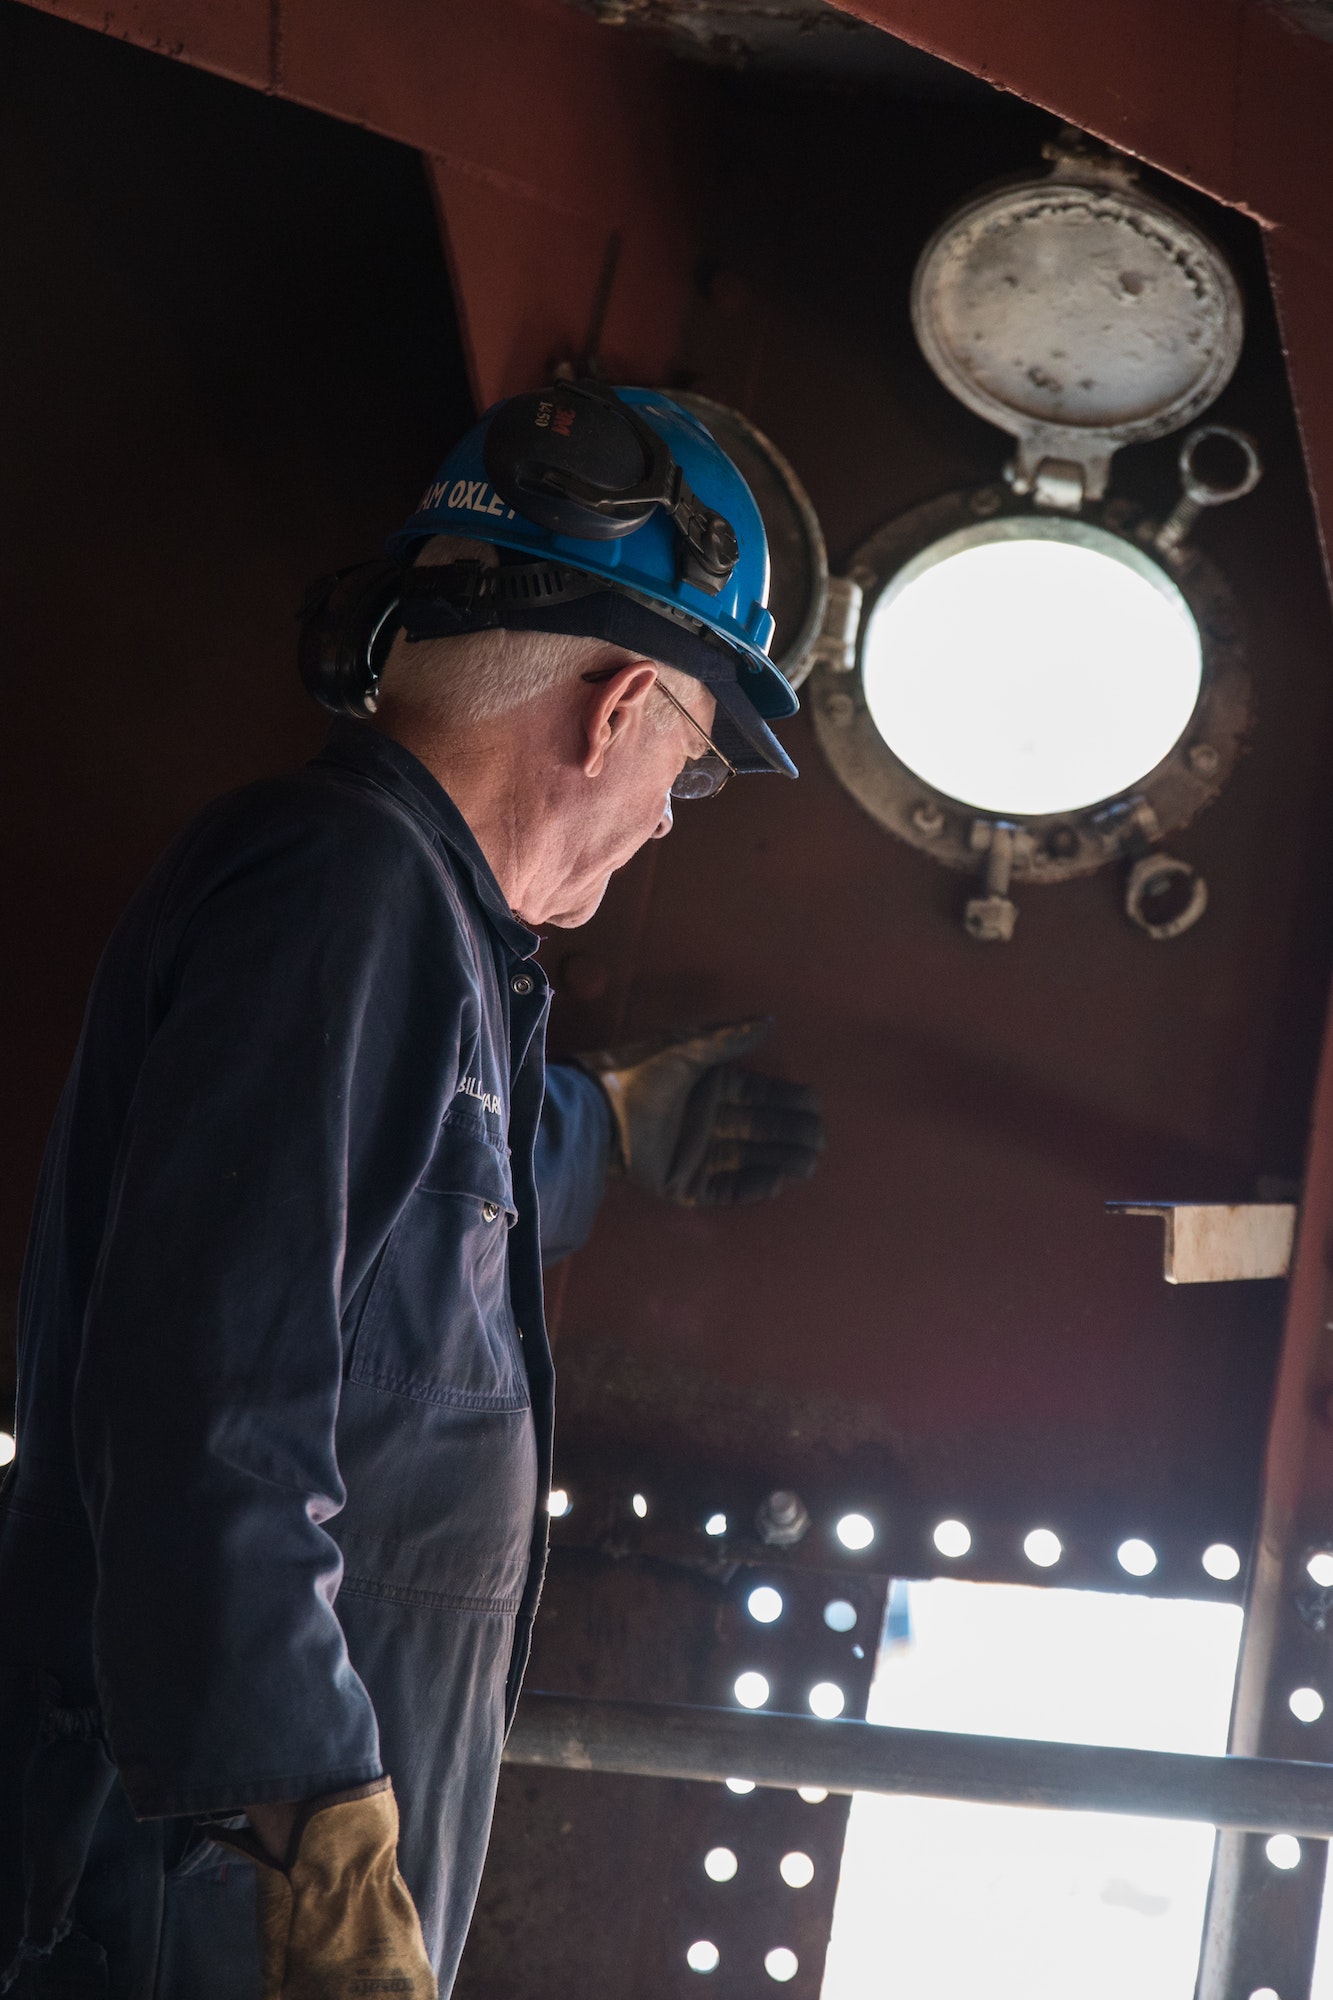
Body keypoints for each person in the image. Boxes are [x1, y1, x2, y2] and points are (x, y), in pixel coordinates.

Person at [0, 383, 824, 1999]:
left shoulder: (421, 941)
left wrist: (617, 1131)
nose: (667, 811)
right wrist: (309, 1816)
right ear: (617, 707)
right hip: (196, 1881)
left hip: (239, 1871)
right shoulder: (344, 888)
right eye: (694, 762)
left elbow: (444, 1204)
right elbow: (208, 1388)